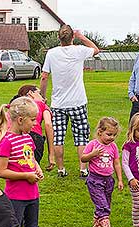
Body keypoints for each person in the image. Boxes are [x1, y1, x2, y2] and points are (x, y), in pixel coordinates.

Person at [0, 97, 45, 227]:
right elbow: (1, 171)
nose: (35, 124)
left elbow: (30, 159)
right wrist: (25, 176)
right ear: (20, 119)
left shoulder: (28, 138)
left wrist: (37, 169)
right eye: (32, 120)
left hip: (33, 195)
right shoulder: (7, 141)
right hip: (16, 197)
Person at [40, 24, 100, 178]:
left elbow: (44, 76)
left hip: (58, 103)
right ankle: (83, 169)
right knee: (81, 137)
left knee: (58, 137)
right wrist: (81, 37)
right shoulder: (79, 51)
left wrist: (42, 95)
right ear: (72, 37)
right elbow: (95, 49)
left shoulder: (52, 53)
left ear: (59, 37)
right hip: (78, 102)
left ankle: (61, 169)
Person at [81, 117, 124, 227]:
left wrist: (120, 179)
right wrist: (92, 154)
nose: (112, 137)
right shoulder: (93, 144)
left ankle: (96, 226)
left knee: (106, 203)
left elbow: (116, 163)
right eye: (109, 134)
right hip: (95, 180)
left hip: (108, 180)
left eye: (114, 135)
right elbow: (83, 158)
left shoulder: (113, 147)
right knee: (102, 205)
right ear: (100, 132)